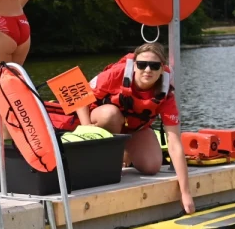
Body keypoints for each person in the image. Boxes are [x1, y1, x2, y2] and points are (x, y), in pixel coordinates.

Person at [76, 42, 195, 214]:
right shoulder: (116, 74)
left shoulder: (166, 95)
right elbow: (81, 96)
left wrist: (186, 193)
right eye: (142, 65)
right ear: (134, 66)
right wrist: (86, 128)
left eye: (154, 66)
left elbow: (174, 143)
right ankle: (111, 156)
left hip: (134, 129)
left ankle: (125, 152)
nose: (147, 70)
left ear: (162, 69)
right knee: (110, 114)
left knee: (152, 167)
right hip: (102, 119)